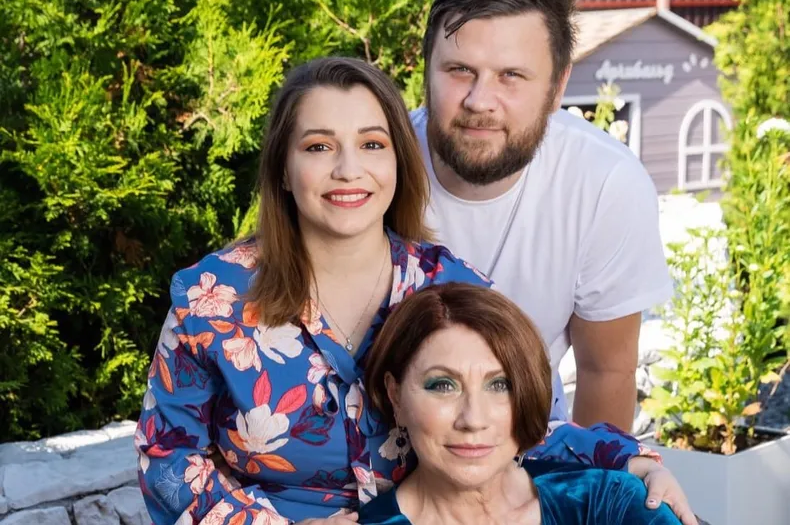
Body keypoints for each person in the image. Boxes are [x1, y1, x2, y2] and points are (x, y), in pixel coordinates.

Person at [135, 57, 692, 525]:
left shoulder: (453, 287)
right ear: (283, 169)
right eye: (320, 147)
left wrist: (633, 461)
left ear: (398, 161)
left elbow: (521, 425)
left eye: (372, 144)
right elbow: (166, 455)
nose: (349, 170)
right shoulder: (212, 297)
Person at [413, 0, 673, 431]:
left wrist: (590, 476)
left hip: (526, 443)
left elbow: (605, 371)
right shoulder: (374, 168)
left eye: (511, 76)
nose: (480, 101)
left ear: (557, 87)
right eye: (459, 70)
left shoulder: (605, 183)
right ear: (427, 72)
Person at [361, 282, 684, 525]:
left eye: (500, 385)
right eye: (443, 385)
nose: (473, 419)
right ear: (395, 396)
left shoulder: (610, 504)